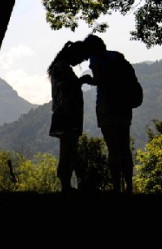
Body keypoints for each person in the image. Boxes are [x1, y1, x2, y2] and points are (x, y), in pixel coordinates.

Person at [79, 33, 135, 194]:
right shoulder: (116, 56)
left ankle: (117, 187)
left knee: (113, 148)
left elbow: (98, 80)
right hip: (124, 105)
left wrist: (87, 80)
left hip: (107, 106)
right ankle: (129, 186)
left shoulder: (95, 59)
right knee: (125, 147)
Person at [47, 40, 92, 194]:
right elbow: (65, 88)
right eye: (80, 58)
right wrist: (81, 81)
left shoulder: (60, 67)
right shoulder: (61, 68)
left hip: (67, 115)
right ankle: (65, 186)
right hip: (67, 115)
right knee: (67, 151)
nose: (79, 62)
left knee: (68, 151)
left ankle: (66, 186)